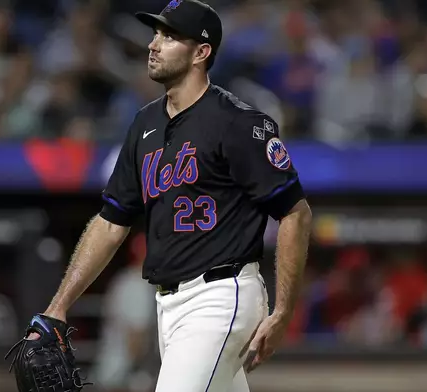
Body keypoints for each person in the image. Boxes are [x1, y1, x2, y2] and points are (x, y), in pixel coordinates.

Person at [38, 1, 313, 391]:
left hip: (221, 296)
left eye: (169, 36)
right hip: (168, 305)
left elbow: (295, 213)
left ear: (201, 52)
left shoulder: (237, 123)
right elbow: (110, 221)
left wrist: (284, 311)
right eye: (155, 33)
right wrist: (59, 304)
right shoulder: (144, 123)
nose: (154, 44)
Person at [92, 233, 157, 392]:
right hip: (123, 375)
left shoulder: (123, 279)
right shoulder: (137, 285)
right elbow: (135, 339)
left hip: (113, 369)